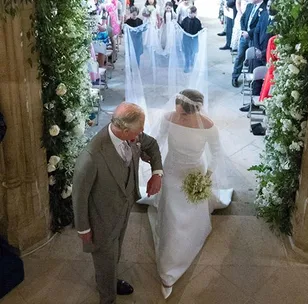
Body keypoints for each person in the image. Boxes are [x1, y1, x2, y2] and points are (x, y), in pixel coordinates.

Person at [142, 90, 232, 299]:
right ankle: (168, 268)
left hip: (194, 172)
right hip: (172, 170)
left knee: (191, 210)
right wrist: (153, 164)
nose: (178, 117)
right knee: (172, 217)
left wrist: (207, 176)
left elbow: (217, 153)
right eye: (177, 112)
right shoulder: (168, 118)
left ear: (196, 111)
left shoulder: (208, 127)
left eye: (183, 114)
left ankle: (187, 242)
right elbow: (157, 142)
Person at [72, 102, 163, 304]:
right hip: (101, 218)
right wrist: (83, 229)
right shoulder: (91, 157)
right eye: (139, 128)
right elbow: (79, 196)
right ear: (123, 130)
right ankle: (107, 296)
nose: (142, 132)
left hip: (123, 207)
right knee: (104, 257)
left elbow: (152, 145)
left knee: (116, 250)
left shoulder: (133, 136)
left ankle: (110, 280)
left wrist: (157, 173)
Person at [231, 0, 266, 87]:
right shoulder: (249, 6)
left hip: (254, 38)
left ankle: (252, 80)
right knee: (240, 56)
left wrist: (249, 33)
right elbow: (242, 18)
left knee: (252, 60)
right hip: (244, 35)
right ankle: (235, 77)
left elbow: (260, 26)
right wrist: (244, 30)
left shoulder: (264, 9)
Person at [180, 6, 202, 73]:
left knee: (193, 52)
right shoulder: (185, 20)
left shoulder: (197, 21)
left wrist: (203, 30)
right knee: (187, 53)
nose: (192, 14)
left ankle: (192, 63)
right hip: (186, 39)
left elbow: (199, 29)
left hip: (194, 39)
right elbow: (181, 27)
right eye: (190, 13)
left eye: (194, 13)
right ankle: (187, 66)